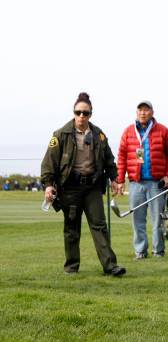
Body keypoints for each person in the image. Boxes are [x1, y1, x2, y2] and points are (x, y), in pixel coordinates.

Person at [40, 92, 125, 276]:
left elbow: (109, 160)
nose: (81, 116)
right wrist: (48, 184)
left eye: (85, 113)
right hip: (69, 187)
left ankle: (110, 266)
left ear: (90, 114)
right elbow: (49, 163)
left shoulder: (99, 135)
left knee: (99, 226)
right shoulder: (60, 134)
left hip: (92, 187)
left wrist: (115, 179)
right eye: (78, 112)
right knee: (72, 227)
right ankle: (71, 267)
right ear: (74, 112)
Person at [116, 100, 168, 259]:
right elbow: (122, 157)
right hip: (136, 183)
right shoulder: (128, 132)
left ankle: (158, 251)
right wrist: (121, 179)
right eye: (140, 110)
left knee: (157, 220)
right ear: (136, 113)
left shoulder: (163, 131)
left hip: (157, 183)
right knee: (138, 220)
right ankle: (140, 252)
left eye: (146, 110)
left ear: (152, 112)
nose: (143, 113)